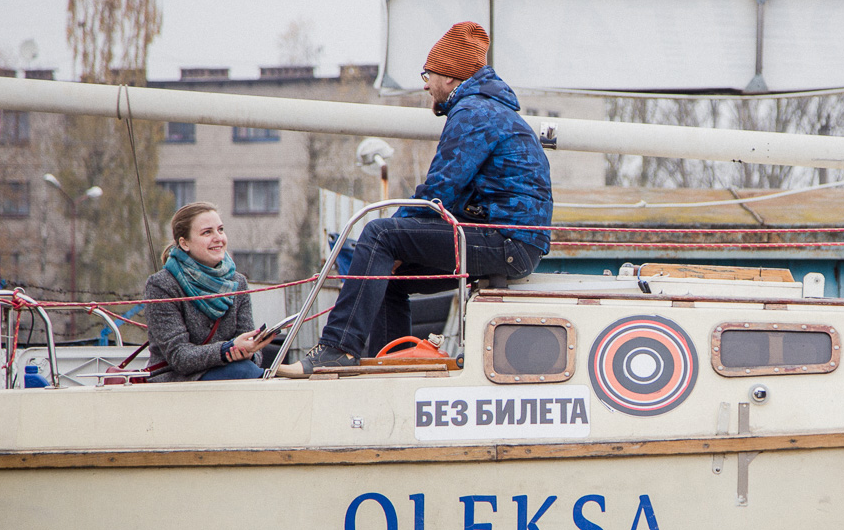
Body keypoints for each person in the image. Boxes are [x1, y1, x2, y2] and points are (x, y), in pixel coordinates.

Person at [279, 21, 552, 376]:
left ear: (451, 78)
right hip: (510, 241)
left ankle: (337, 347)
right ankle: (393, 365)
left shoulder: (474, 113)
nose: (425, 83)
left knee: (378, 235)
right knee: (384, 277)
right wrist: (393, 253)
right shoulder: (490, 111)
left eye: (430, 74)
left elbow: (439, 193)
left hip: (507, 241)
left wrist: (392, 236)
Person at [144, 201, 266, 382]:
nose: (218, 238)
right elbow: (179, 356)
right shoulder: (162, 285)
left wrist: (248, 351)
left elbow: (253, 353)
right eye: (207, 232)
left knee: (248, 369)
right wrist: (227, 350)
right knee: (244, 373)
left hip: (232, 373)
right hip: (176, 382)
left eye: (221, 230)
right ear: (184, 243)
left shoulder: (237, 282)